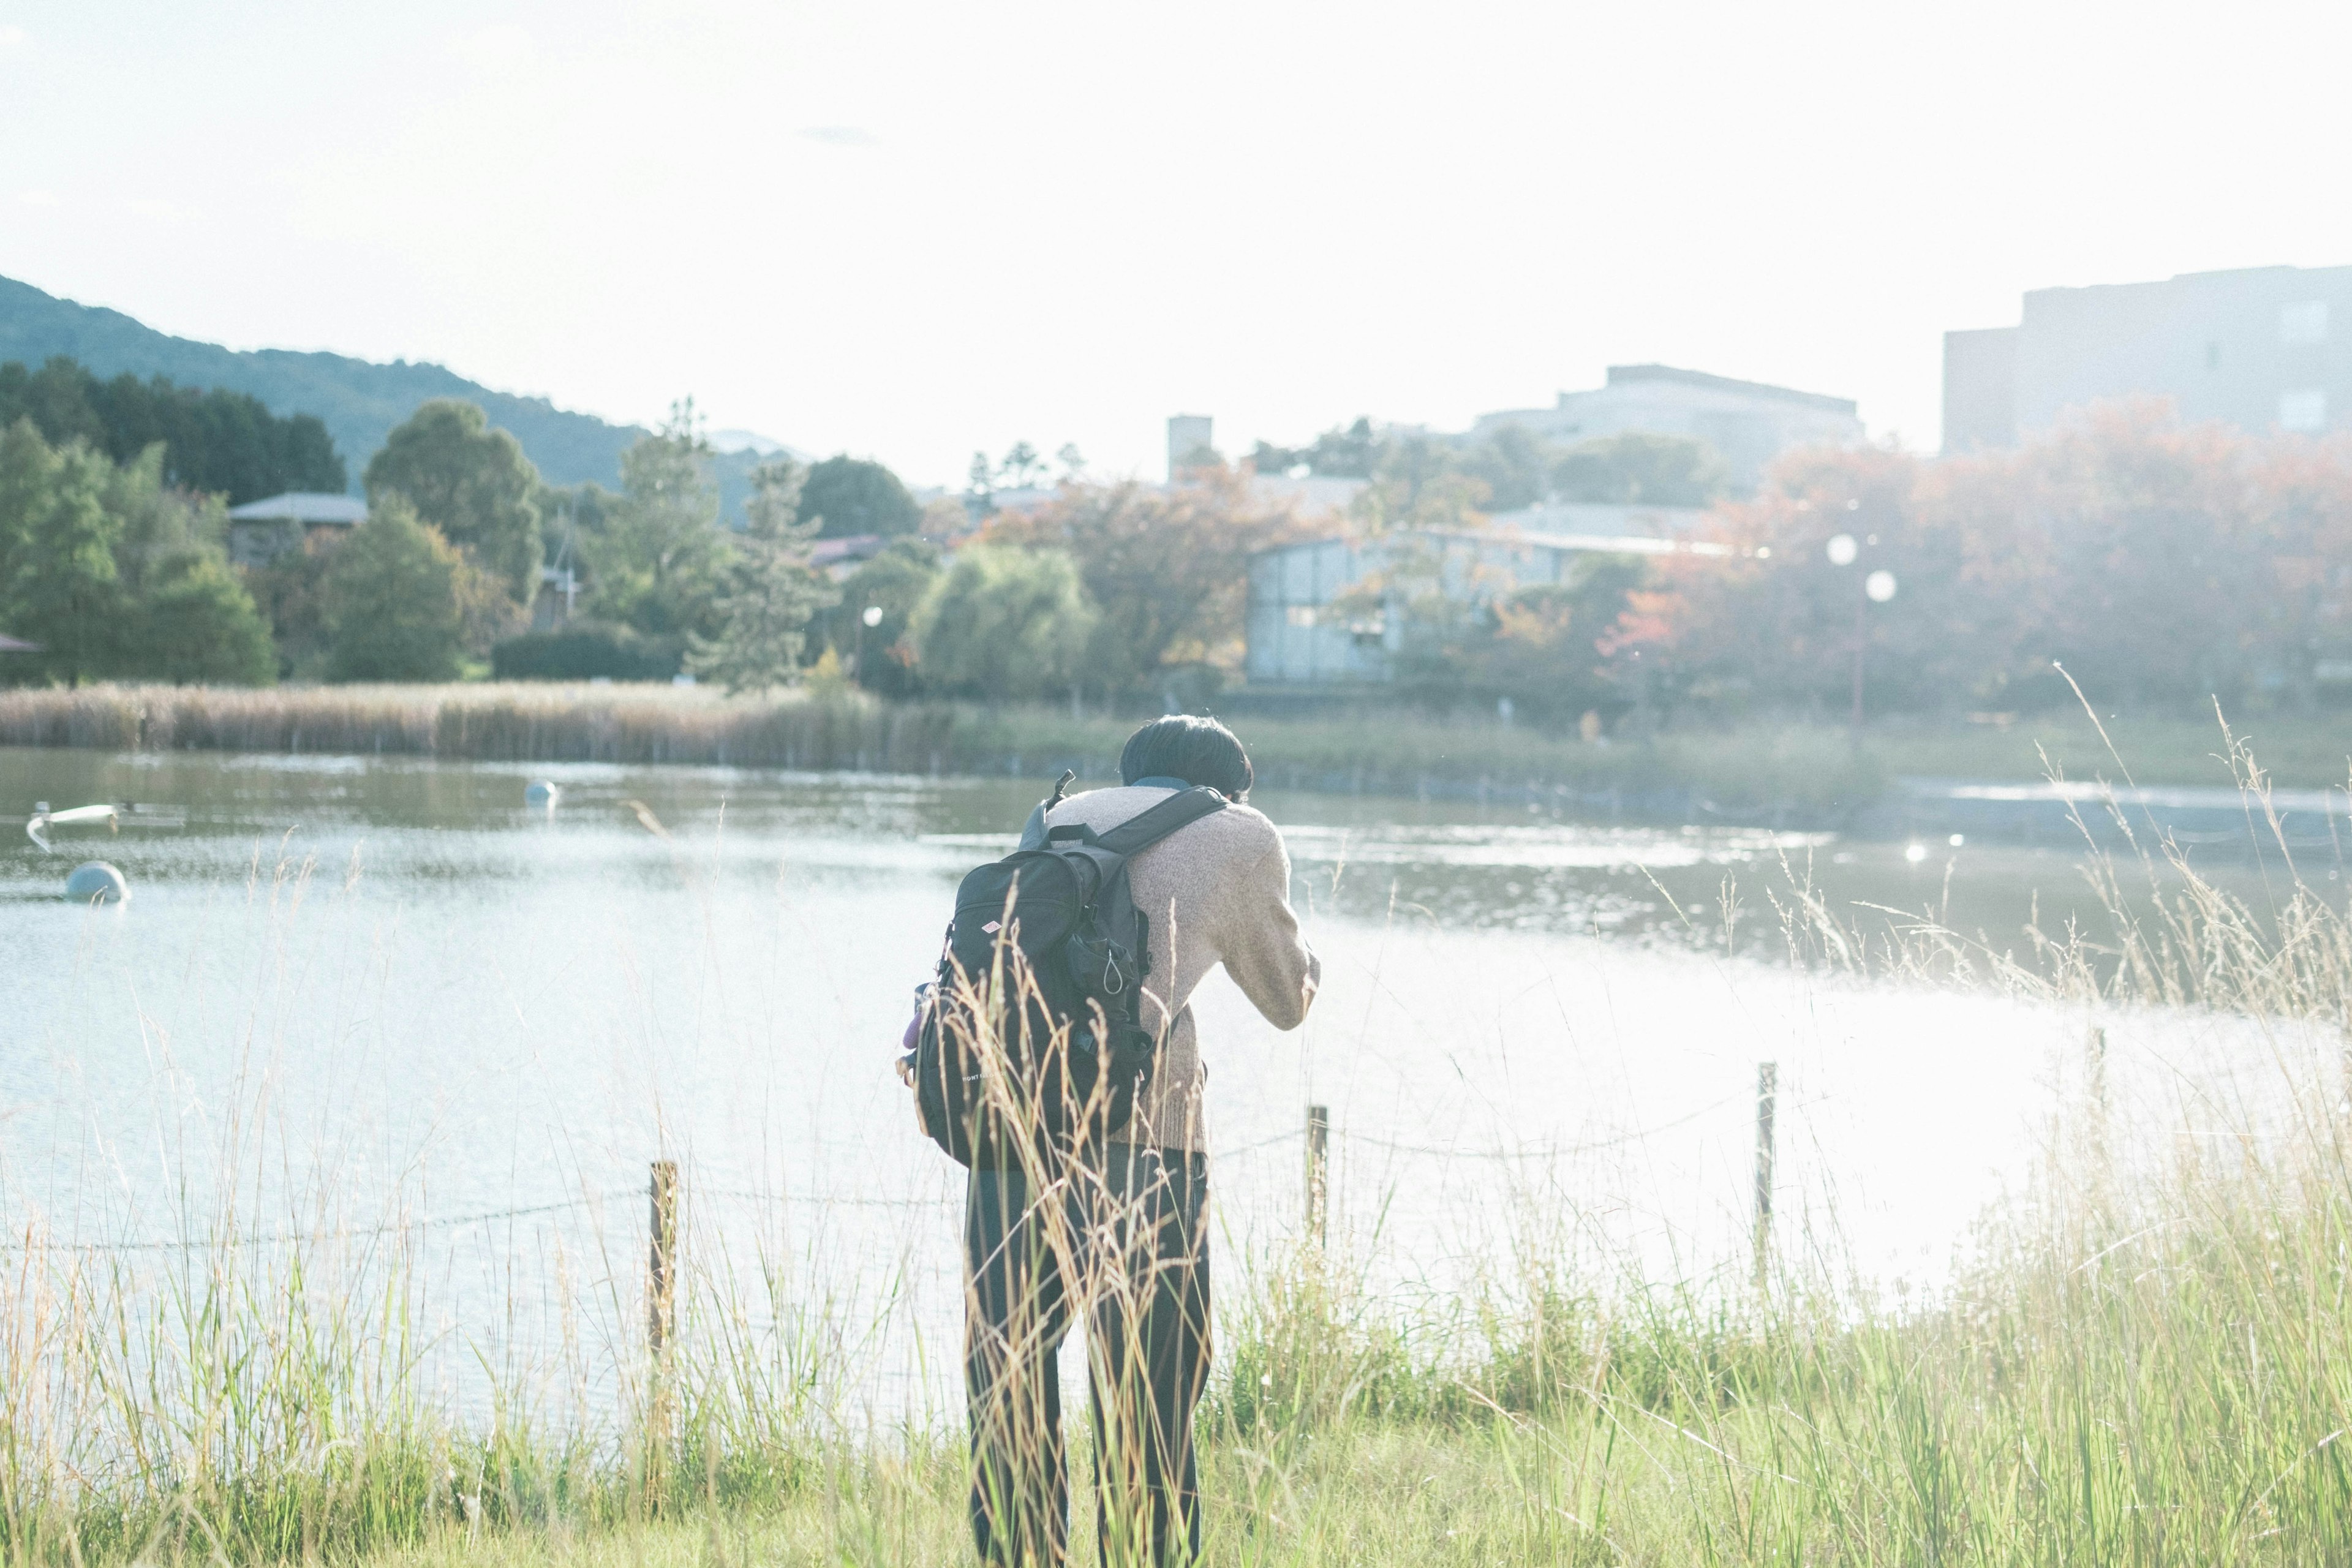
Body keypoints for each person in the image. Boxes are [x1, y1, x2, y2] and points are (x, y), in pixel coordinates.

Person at [963, 715, 1319, 1566]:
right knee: (1149, 1396)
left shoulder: (1058, 818)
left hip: (1012, 1131)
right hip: (1146, 1145)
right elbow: (1285, 998)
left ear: (1135, 771)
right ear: (1226, 785)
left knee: (1008, 1377)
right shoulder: (1238, 832)